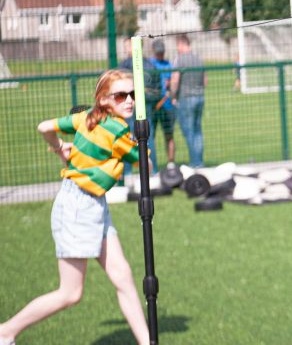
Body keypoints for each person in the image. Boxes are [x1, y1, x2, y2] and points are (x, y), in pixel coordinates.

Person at [0, 70, 150, 345]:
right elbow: (147, 166)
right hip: (78, 207)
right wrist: (142, 141)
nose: (129, 101)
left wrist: (60, 149)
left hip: (91, 204)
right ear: (104, 99)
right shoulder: (117, 131)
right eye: (121, 95)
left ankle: (146, 342)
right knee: (70, 293)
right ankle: (5, 332)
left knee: (123, 277)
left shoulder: (87, 117)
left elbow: (45, 127)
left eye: (133, 94)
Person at [119, 37, 162, 172]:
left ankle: (127, 172)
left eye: (127, 46)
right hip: (146, 104)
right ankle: (152, 170)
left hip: (131, 105)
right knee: (147, 136)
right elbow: (157, 87)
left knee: (127, 138)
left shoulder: (124, 65)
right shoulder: (150, 64)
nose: (125, 49)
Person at [170, 34, 206, 168]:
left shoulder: (179, 59)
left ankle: (195, 162)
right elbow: (205, 81)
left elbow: (175, 80)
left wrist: (173, 96)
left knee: (189, 131)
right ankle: (199, 162)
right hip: (200, 97)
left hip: (186, 98)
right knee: (197, 130)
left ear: (181, 44)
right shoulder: (199, 59)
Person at [150, 39, 176, 167]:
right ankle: (151, 164)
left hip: (167, 106)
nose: (160, 55)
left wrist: (170, 87)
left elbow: (172, 82)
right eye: (158, 52)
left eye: (162, 52)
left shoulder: (168, 64)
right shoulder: (150, 64)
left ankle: (171, 163)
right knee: (150, 136)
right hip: (153, 106)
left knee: (169, 135)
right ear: (153, 51)